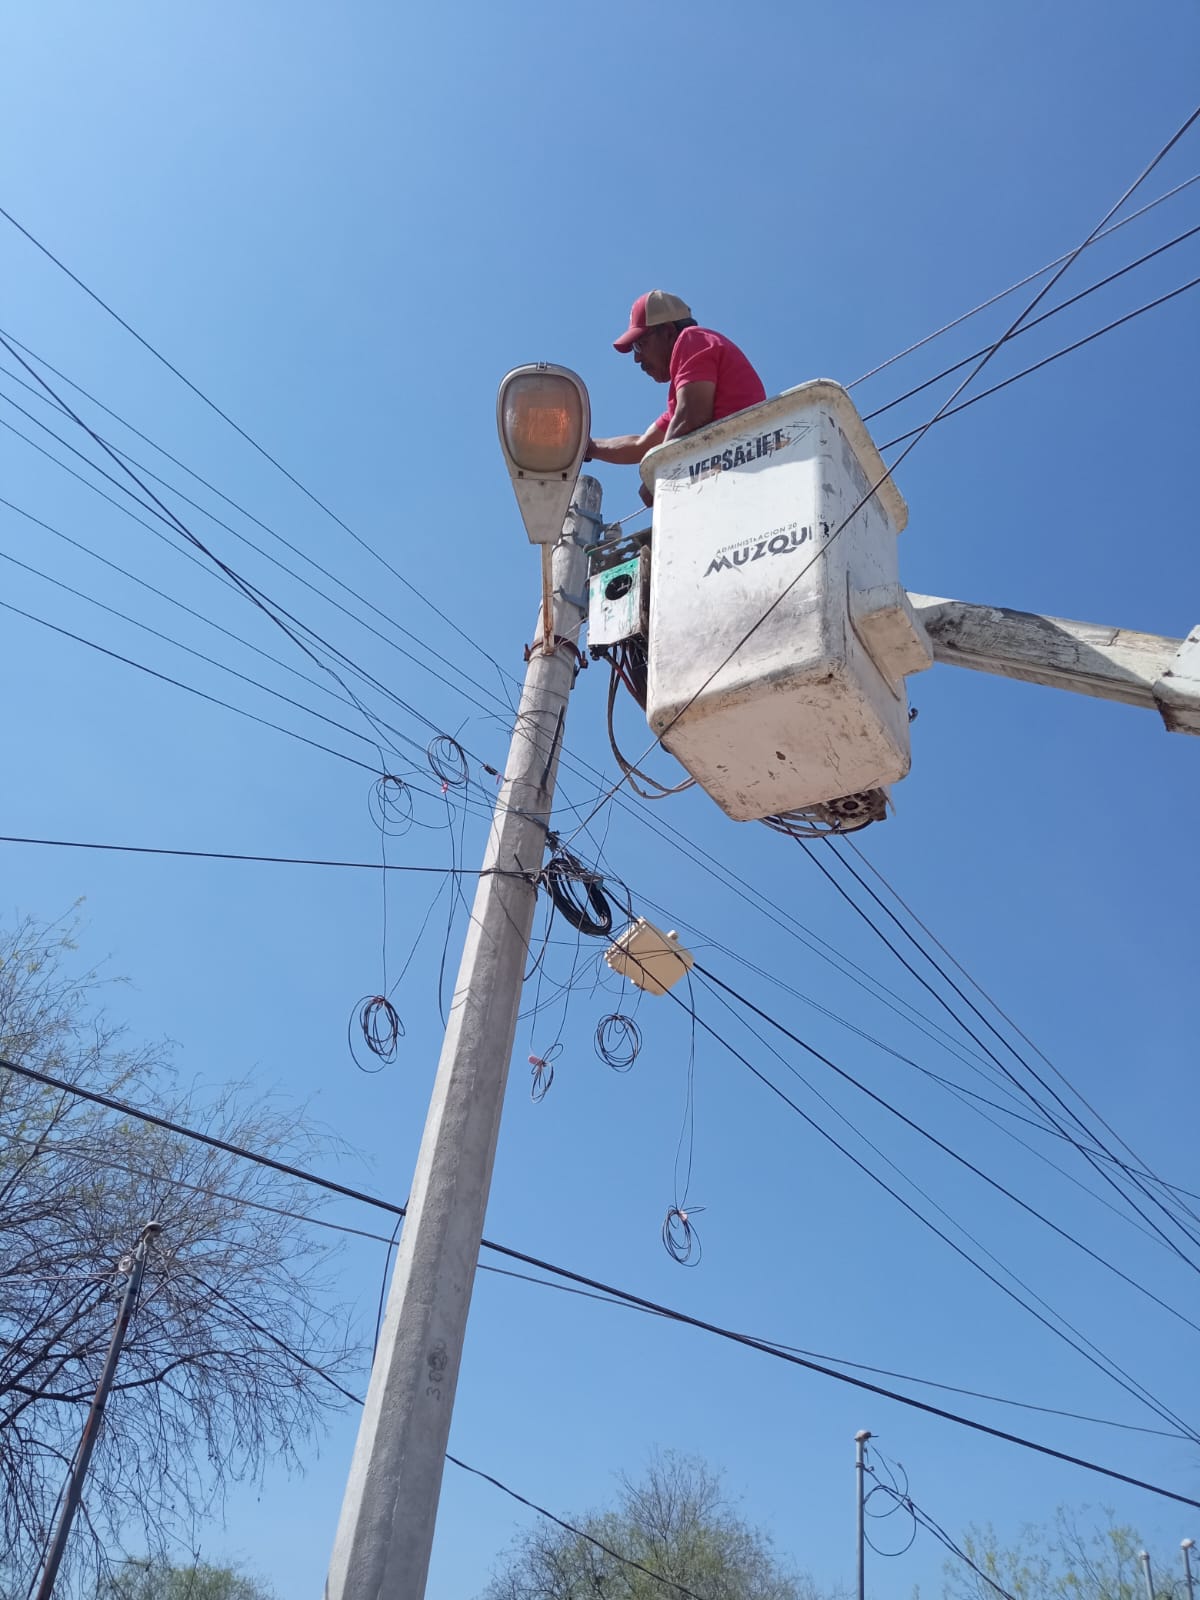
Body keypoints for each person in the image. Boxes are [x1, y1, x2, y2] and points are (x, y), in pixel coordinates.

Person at [585, 290, 766, 497]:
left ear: (669, 332)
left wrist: (658, 475)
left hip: (741, 471)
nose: (637, 358)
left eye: (640, 344)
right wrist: (588, 447)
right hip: (735, 475)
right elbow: (641, 444)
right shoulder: (688, 395)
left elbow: (692, 417)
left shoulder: (692, 339)